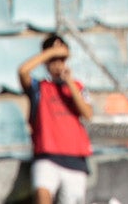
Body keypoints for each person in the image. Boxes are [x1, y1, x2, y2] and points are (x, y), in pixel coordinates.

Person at [18, 34, 94, 204]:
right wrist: (50, 52)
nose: (57, 64)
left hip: (75, 159)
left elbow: (87, 113)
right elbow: (23, 71)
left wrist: (69, 82)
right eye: (53, 60)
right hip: (47, 157)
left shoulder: (77, 87)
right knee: (42, 195)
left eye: (61, 59)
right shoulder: (39, 88)